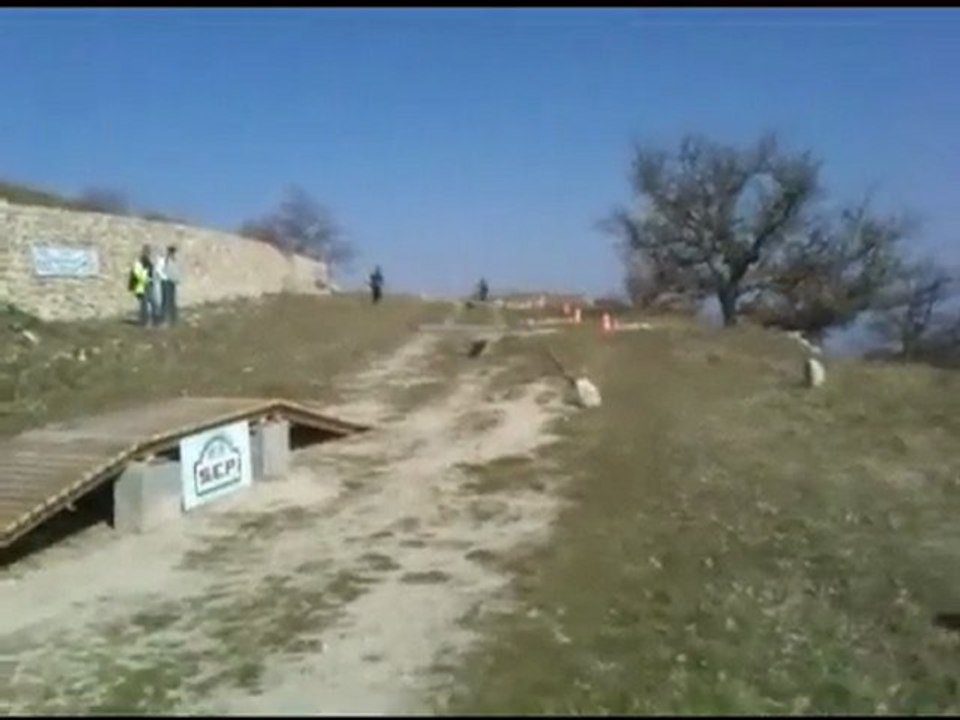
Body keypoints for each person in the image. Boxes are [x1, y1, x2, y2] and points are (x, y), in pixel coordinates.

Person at [128, 245, 155, 326]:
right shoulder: (142, 261)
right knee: (144, 303)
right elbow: (139, 272)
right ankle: (144, 321)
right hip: (143, 283)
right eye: (147, 251)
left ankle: (147, 320)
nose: (148, 253)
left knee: (149, 302)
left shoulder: (148, 261)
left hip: (148, 283)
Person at [159, 245, 180, 324]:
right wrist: (164, 278)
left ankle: (172, 319)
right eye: (172, 252)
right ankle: (164, 319)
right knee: (166, 301)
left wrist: (177, 279)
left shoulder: (173, 260)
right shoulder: (166, 260)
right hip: (167, 282)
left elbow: (175, 271)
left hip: (172, 282)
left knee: (172, 301)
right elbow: (163, 271)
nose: (173, 253)